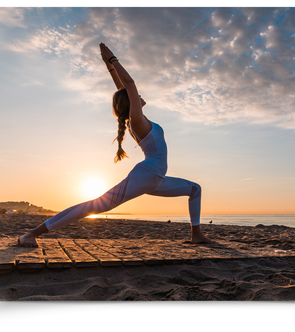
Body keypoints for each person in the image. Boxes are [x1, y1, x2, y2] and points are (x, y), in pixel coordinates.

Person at [18, 43, 216, 247]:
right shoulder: (136, 120)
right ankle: (32, 233)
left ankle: (196, 235)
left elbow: (122, 88)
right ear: (132, 103)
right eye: (135, 96)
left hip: (156, 179)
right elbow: (129, 84)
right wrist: (113, 58)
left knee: (195, 189)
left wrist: (108, 66)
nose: (139, 96)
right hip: (146, 175)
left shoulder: (138, 118)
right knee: (95, 206)